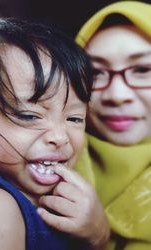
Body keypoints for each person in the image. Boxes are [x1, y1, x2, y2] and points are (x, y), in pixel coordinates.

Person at [0, 17, 109, 250]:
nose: (60, 136)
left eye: (75, 118)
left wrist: (98, 235)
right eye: (29, 116)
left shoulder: (41, 192)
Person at [74, 1, 151, 250]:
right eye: (95, 73)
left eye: (142, 69)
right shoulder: (43, 161)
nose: (117, 95)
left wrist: (99, 239)